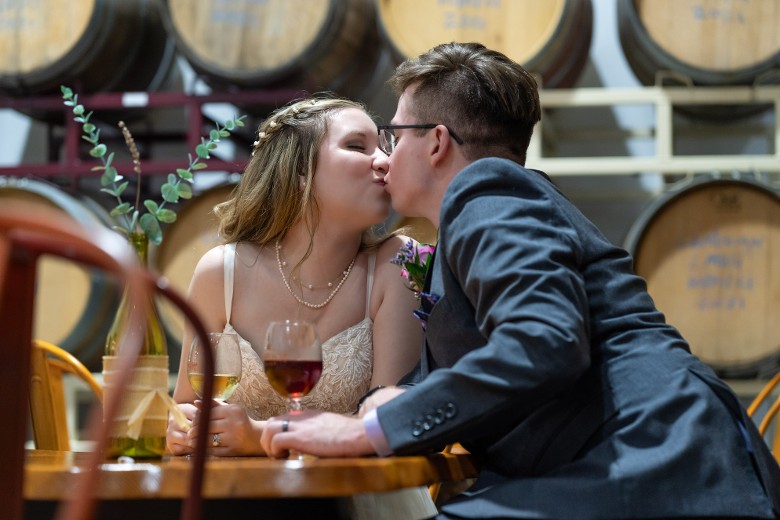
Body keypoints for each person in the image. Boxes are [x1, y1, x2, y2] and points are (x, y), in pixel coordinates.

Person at [259, 42, 780, 519]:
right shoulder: (481, 218)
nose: (387, 156)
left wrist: (370, 429)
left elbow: (545, 341)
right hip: (627, 457)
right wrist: (281, 428)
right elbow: (459, 371)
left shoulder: (487, 195)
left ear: (437, 142)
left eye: (396, 136)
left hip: (659, 459)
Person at [165, 95, 437, 519]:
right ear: (298, 173)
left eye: (385, 146)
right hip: (241, 502)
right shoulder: (222, 272)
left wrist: (260, 437)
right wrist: (186, 430)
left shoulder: (399, 265)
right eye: (357, 146)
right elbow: (187, 409)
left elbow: (389, 432)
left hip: (361, 503)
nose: (384, 161)